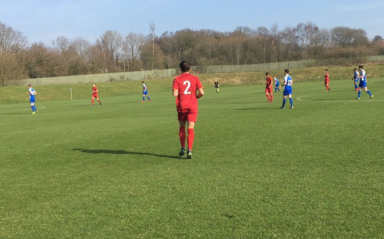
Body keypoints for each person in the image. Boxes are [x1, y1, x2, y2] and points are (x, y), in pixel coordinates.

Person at [172, 61, 204, 159]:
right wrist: (195, 97)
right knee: (191, 128)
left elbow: (175, 94)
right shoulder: (195, 78)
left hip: (182, 106)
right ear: (189, 68)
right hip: (192, 106)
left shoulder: (177, 79)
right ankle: (190, 150)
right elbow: (202, 92)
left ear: (180, 69)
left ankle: (182, 147)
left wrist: (174, 90)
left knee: (182, 127)